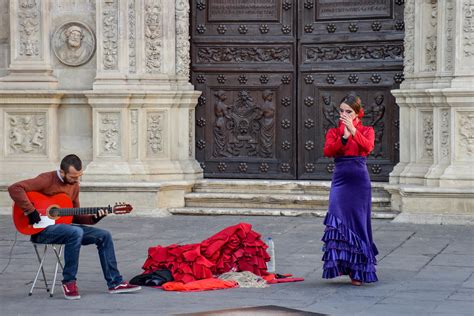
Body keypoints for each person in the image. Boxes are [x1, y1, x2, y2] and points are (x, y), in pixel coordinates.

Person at [8, 154, 141, 300]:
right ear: (63, 172)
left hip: (64, 228)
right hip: (41, 230)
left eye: (79, 176)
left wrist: (95, 217)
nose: (76, 180)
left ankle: (115, 282)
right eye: (72, 177)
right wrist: (30, 210)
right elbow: (15, 188)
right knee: (75, 232)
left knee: (104, 235)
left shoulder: (74, 186)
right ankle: (69, 282)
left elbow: (75, 215)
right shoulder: (46, 179)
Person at [321, 93, 378, 286]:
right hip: (340, 180)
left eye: (348, 111)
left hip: (359, 181)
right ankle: (341, 264)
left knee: (359, 223)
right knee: (337, 219)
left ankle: (358, 271)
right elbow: (328, 151)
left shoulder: (367, 130)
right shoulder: (334, 132)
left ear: (357, 113)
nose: (344, 114)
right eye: (342, 111)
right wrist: (344, 138)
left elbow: (368, 147)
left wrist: (354, 131)